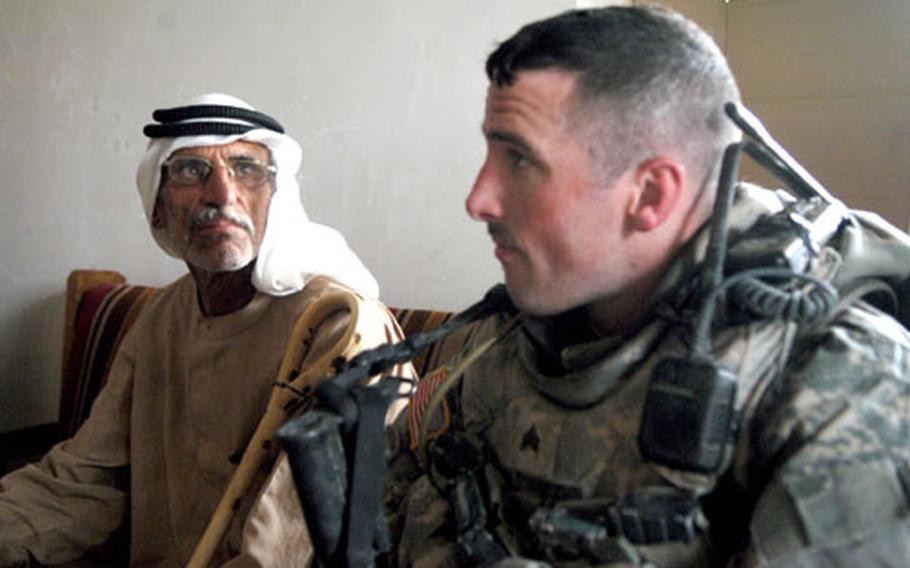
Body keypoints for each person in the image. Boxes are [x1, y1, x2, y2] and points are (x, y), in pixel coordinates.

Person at [386, 6, 910, 567]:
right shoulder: (506, 334)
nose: (479, 199)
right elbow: (400, 504)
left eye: (519, 159)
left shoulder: (846, 389)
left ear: (651, 196)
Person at [0, 93, 414, 566]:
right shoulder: (161, 317)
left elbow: (290, 549)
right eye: (192, 171)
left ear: (277, 200)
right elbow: (86, 483)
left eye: (246, 170)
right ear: (157, 209)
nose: (222, 195)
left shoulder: (341, 326)